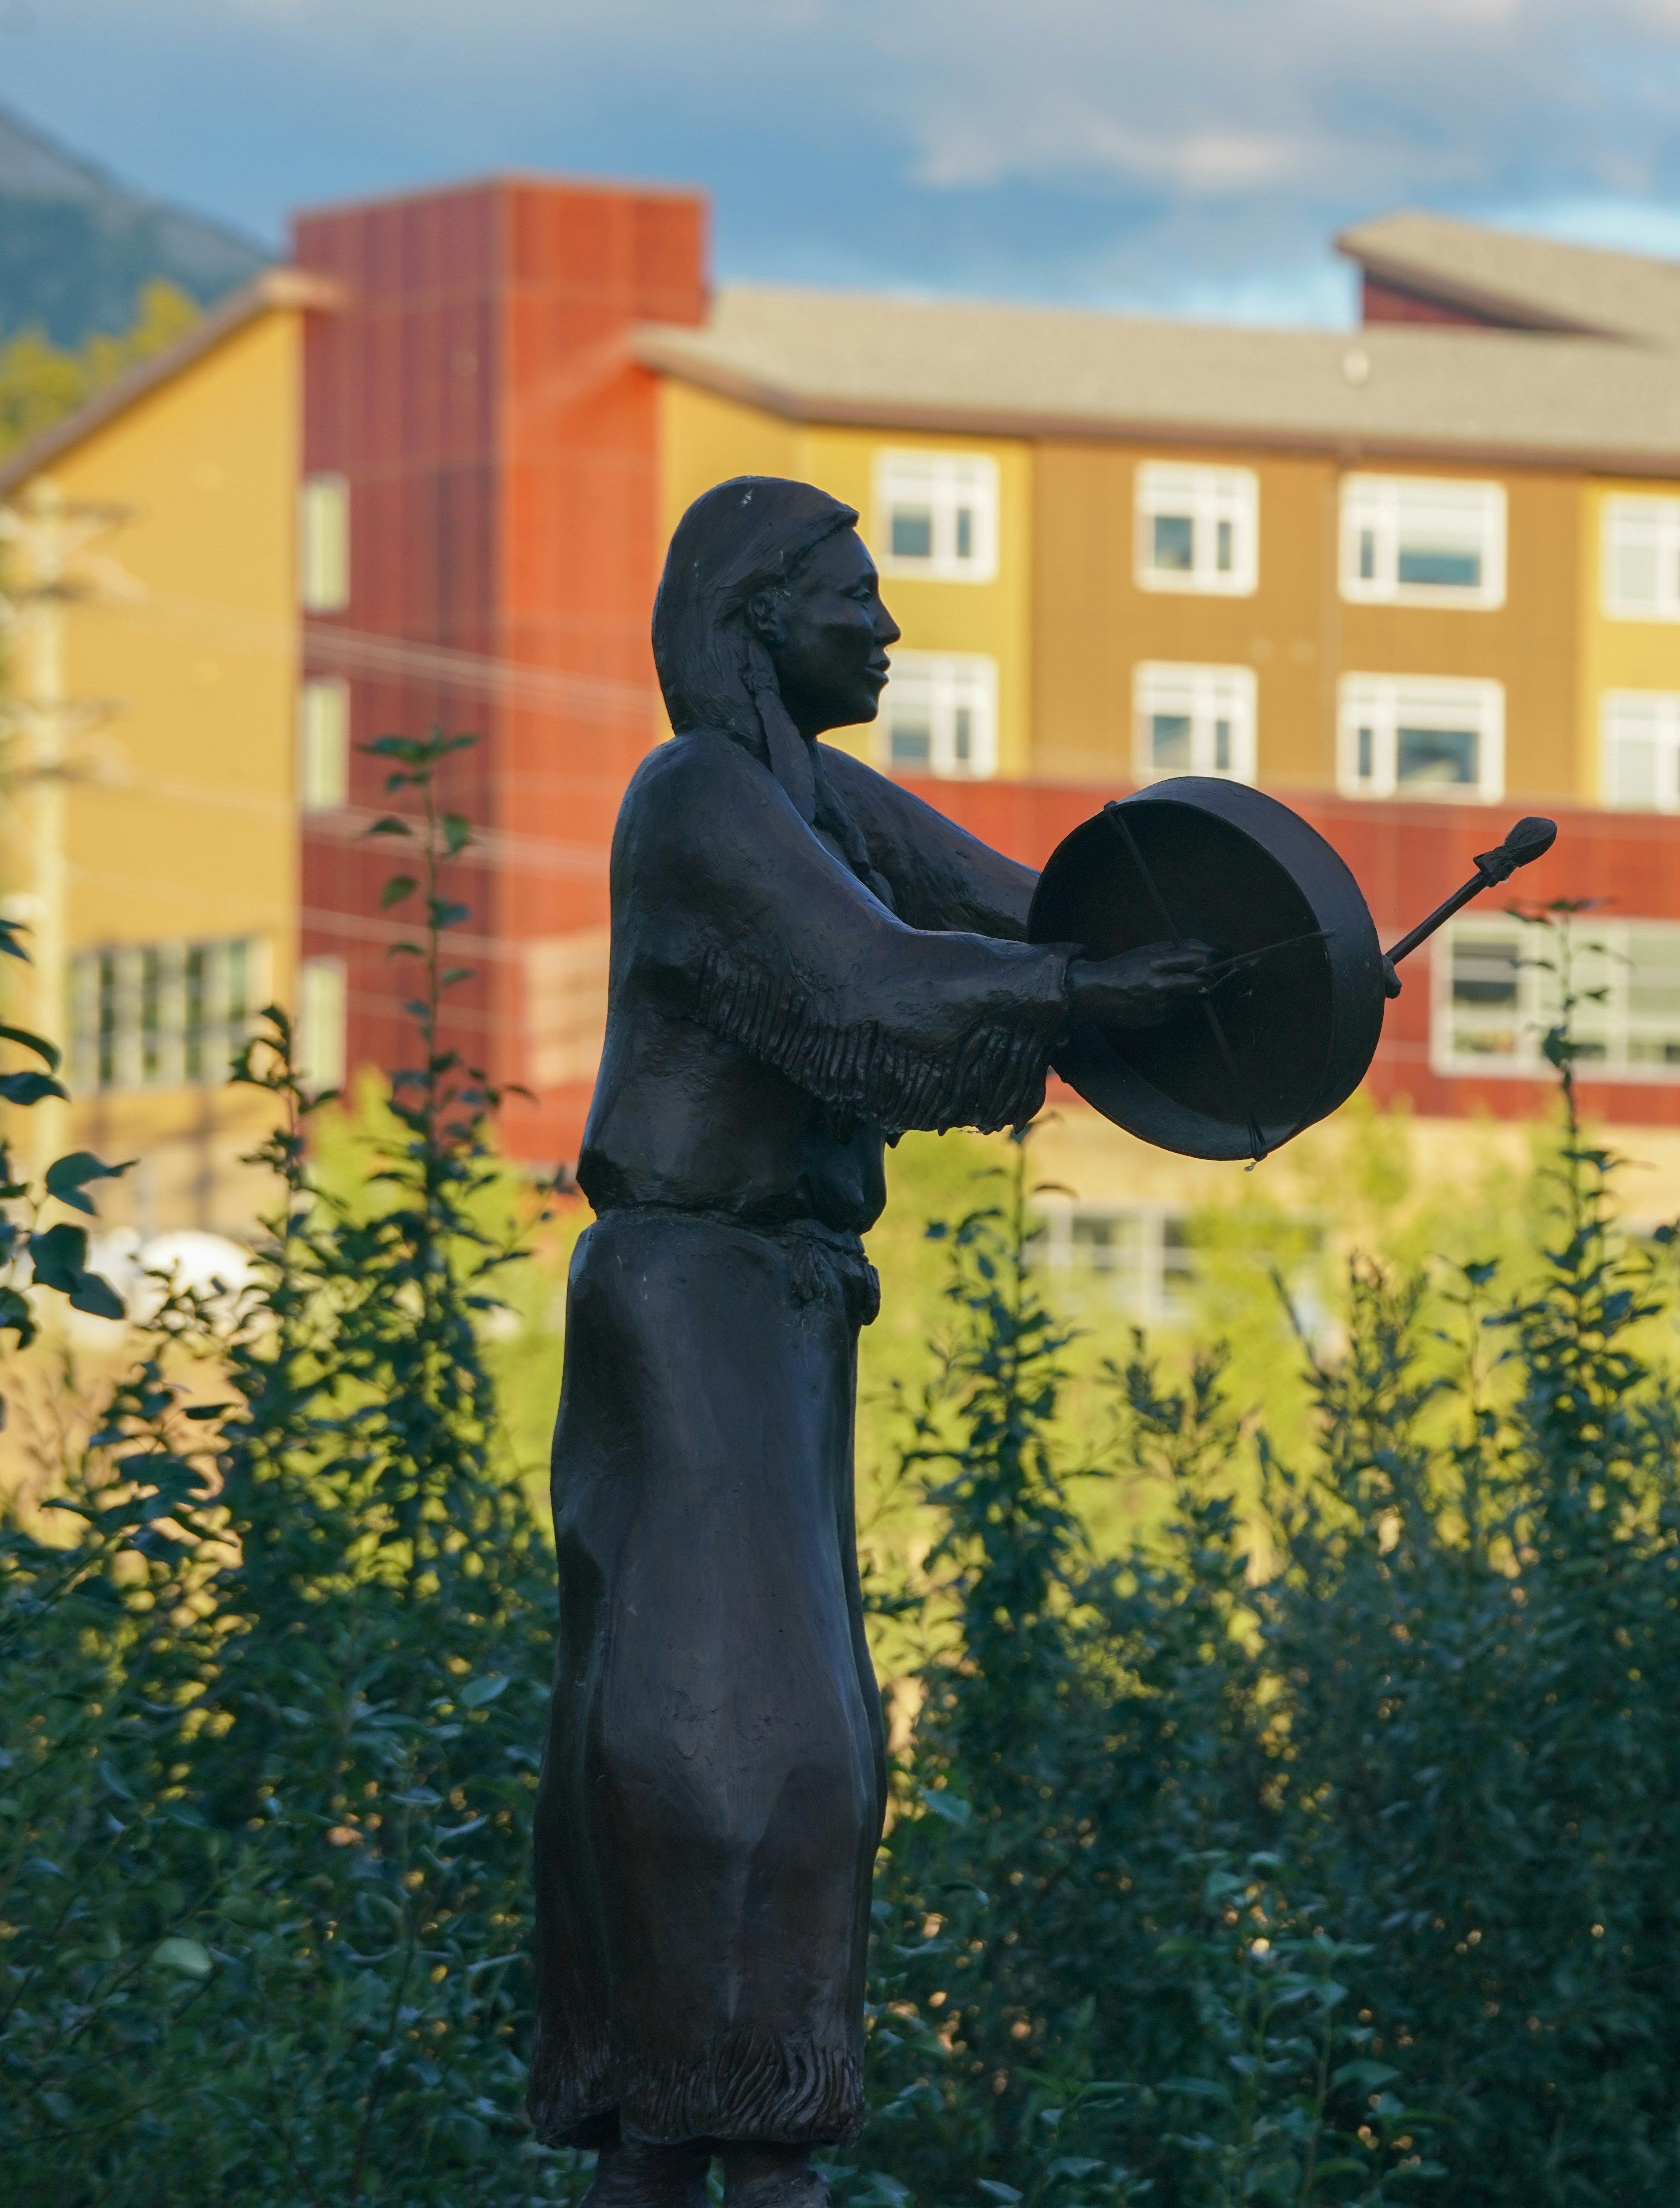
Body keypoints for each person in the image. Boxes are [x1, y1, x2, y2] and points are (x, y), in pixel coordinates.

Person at [529, 477, 1206, 2208]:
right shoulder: (698, 801)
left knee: (806, 1731)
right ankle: (712, 2126)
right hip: (688, 1308)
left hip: (781, 1317)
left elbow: (1029, 915)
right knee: (725, 1748)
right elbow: (875, 984)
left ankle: (743, 2131)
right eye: (856, 597)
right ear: (763, 616)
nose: (889, 630)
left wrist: (1254, 978)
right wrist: (1081, 1003)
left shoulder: (817, 801)